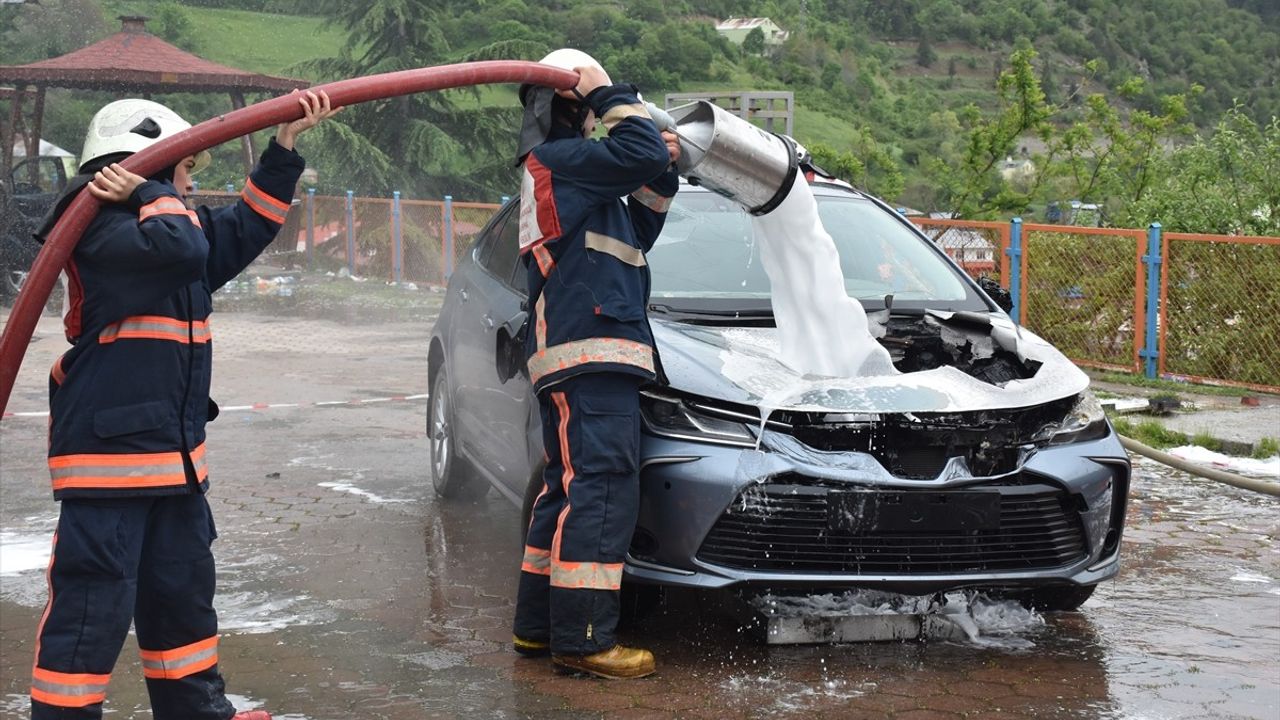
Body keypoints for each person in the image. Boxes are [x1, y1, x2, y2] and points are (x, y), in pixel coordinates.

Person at [30, 91, 339, 720]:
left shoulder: (166, 227)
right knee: (91, 611)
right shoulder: (93, 222)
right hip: (110, 465)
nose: (191, 184)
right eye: (185, 167)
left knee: (182, 603)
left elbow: (243, 228)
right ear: (139, 165)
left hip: (173, 464)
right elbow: (180, 248)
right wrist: (150, 189)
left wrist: (283, 148)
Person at [510, 49, 680, 680]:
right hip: (591, 347)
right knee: (602, 489)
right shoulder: (558, 160)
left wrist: (664, 168)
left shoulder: (575, 174)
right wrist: (614, 96)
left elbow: (642, 228)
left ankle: (537, 628)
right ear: (574, 103)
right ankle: (583, 639)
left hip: (582, 347)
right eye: (590, 106)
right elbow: (633, 153)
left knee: (566, 491)